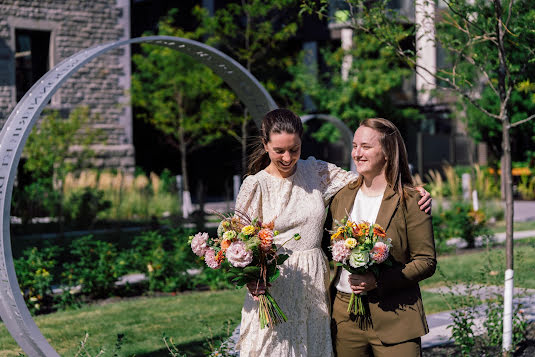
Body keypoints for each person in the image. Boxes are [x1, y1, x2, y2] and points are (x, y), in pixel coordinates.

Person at [234, 109, 431, 356]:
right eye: (279, 151)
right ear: (265, 145)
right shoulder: (255, 185)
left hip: (315, 288)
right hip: (276, 286)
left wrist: (411, 189)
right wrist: (250, 278)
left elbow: (365, 180)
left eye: (294, 149)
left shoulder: (317, 172)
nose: (287, 157)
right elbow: (237, 243)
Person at [326, 118, 436, 356]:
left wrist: (380, 281)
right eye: (355, 146)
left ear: (387, 152)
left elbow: (426, 261)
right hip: (345, 316)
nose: (357, 153)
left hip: (396, 313)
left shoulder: (411, 200)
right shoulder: (340, 197)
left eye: (366, 147)